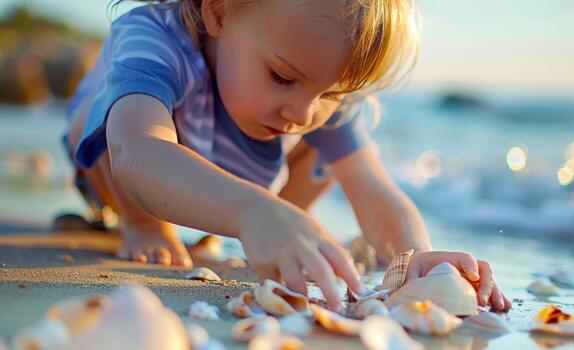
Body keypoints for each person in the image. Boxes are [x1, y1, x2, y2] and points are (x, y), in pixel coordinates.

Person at [63, 0, 511, 311]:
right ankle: (153, 224)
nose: (302, 111)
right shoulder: (158, 37)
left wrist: (415, 259)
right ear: (218, 11)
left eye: (332, 92)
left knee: (330, 154)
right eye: (282, 77)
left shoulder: (313, 89)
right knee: (108, 117)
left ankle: (285, 236)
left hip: (242, 174)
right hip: (121, 175)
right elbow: (135, 150)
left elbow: (370, 184)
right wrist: (251, 212)